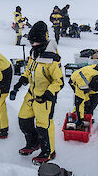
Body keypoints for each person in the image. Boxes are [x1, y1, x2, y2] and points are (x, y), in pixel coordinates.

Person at [10, 21, 64, 165]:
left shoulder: (52, 58)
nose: (31, 44)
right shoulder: (34, 53)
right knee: (23, 119)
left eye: (33, 42)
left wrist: (48, 94)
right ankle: (34, 143)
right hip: (31, 94)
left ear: (41, 41)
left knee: (43, 125)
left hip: (44, 98)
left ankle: (49, 152)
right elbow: (29, 70)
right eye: (30, 42)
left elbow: (59, 82)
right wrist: (21, 81)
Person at [68, 64, 98, 128]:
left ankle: (88, 113)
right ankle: (76, 113)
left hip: (88, 78)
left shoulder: (97, 73)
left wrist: (90, 111)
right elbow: (80, 102)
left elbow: (97, 66)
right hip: (75, 80)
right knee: (83, 101)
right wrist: (80, 119)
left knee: (95, 98)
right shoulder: (82, 84)